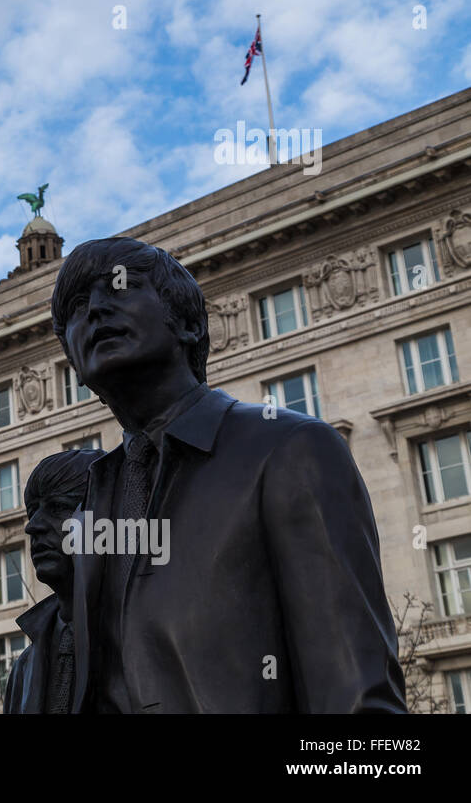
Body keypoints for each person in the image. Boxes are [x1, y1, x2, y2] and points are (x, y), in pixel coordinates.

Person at [50, 236, 405, 713]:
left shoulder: (288, 448)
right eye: (76, 306)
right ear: (72, 365)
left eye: (120, 287)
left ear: (190, 324)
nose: (94, 309)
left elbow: (356, 696)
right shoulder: (90, 503)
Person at [4, 448, 102, 714]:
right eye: (32, 512)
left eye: (58, 508)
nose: (32, 526)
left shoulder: (144, 640)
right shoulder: (24, 668)